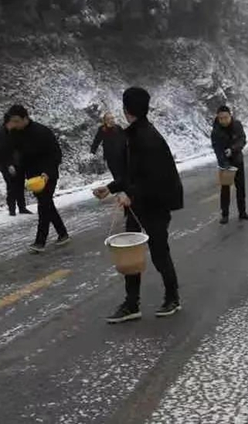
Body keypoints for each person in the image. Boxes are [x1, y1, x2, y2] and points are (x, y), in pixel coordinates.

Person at [94, 87, 183, 323]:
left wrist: (129, 194)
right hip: (139, 203)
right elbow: (132, 174)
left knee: (159, 251)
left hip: (155, 203)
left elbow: (154, 178)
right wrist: (112, 188)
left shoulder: (147, 138)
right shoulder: (133, 134)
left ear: (126, 110)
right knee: (129, 252)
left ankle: (172, 297)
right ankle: (131, 304)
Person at [0, 105, 70, 253]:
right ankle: (63, 233)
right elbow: (6, 151)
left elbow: (56, 154)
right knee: (46, 204)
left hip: (48, 175)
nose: (14, 124)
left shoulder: (42, 132)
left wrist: (48, 172)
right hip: (33, 178)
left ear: (25, 118)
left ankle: (40, 242)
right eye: (12, 121)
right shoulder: (16, 134)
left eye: (16, 121)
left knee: (43, 204)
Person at [211, 105, 248, 224]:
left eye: (225, 117)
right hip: (225, 162)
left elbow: (242, 139)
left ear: (230, 116)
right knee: (225, 189)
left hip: (237, 159)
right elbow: (217, 149)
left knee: (240, 188)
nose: (223, 120)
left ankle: (242, 212)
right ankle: (225, 215)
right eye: (221, 118)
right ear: (218, 118)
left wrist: (233, 149)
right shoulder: (216, 131)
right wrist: (224, 163)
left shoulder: (237, 125)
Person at [0, 113, 32, 216]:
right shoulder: (2, 134)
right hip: (7, 165)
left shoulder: (13, 132)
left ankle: (22, 207)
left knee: (19, 184)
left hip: (17, 163)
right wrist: (9, 164)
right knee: (11, 186)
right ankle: (12, 209)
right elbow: (3, 151)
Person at [90, 112, 126, 181]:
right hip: (110, 156)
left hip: (121, 155)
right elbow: (97, 140)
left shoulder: (118, 128)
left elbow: (125, 139)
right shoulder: (102, 129)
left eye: (112, 118)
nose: (111, 120)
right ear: (105, 121)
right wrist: (92, 151)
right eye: (109, 119)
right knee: (115, 173)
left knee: (123, 172)